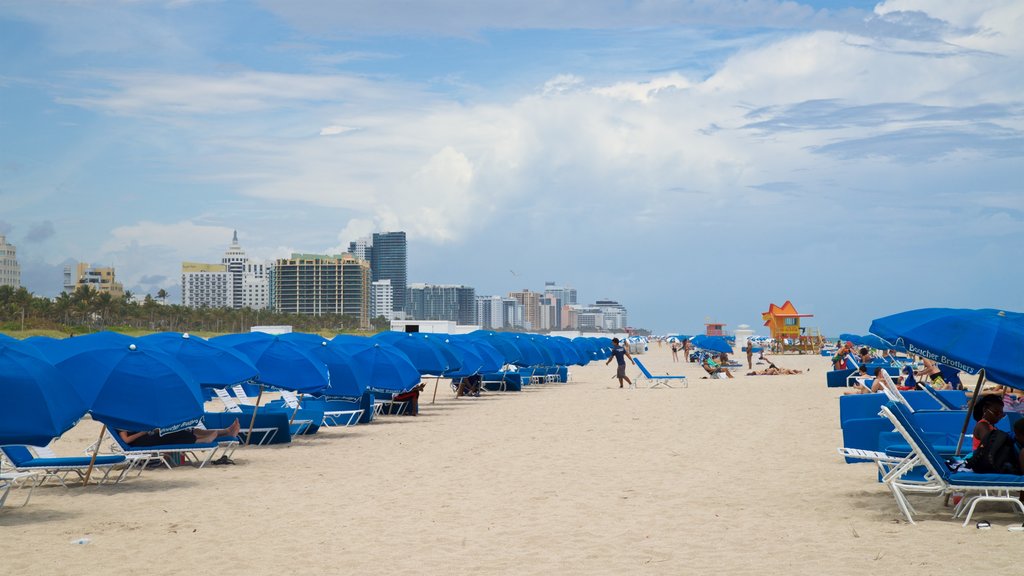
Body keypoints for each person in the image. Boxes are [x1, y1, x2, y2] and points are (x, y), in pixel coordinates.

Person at [119, 418, 241, 447]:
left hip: (148, 436)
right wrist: (142, 433)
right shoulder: (120, 423)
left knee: (181, 430)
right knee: (173, 434)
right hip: (142, 441)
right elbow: (126, 440)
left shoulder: (131, 420)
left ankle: (226, 432)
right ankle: (202, 440)